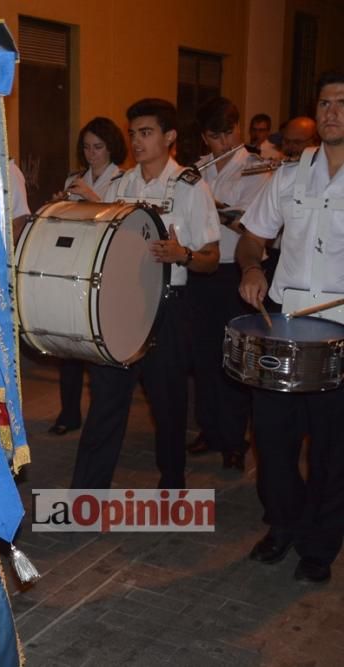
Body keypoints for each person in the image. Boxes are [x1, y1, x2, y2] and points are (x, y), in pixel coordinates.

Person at [70, 98, 220, 490]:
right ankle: (86, 494)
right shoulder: (121, 184)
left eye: (146, 132)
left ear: (169, 137)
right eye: (133, 133)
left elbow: (211, 258)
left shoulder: (190, 186)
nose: (136, 141)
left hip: (167, 310)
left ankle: (172, 482)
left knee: (167, 404)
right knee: (106, 401)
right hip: (120, 307)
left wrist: (182, 254)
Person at [236, 71, 344, 584]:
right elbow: (251, 238)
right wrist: (254, 267)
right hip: (281, 327)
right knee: (272, 441)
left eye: (342, 103)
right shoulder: (288, 176)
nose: (331, 112)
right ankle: (283, 524)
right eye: (325, 102)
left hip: (341, 334)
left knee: (332, 450)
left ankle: (319, 546)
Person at [185, 98, 271, 470]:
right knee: (203, 357)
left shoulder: (257, 169)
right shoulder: (196, 169)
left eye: (229, 132)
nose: (225, 141)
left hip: (236, 270)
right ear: (205, 137)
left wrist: (207, 204)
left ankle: (235, 439)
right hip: (202, 269)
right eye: (216, 135)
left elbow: (250, 225)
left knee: (234, 358)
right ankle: (210, 428)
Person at [49, 117, 127, 436]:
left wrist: (92, 196)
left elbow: (122, 216)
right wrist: (60, 206)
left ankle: (99, 412)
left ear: (111, 148)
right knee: (68, 341)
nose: (91, 154)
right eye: (86, 147)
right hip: (76, 260)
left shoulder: (122, 179)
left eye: (98, 147)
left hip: (105, 264)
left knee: (95, 341)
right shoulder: (74, 177)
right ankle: (69, 411)